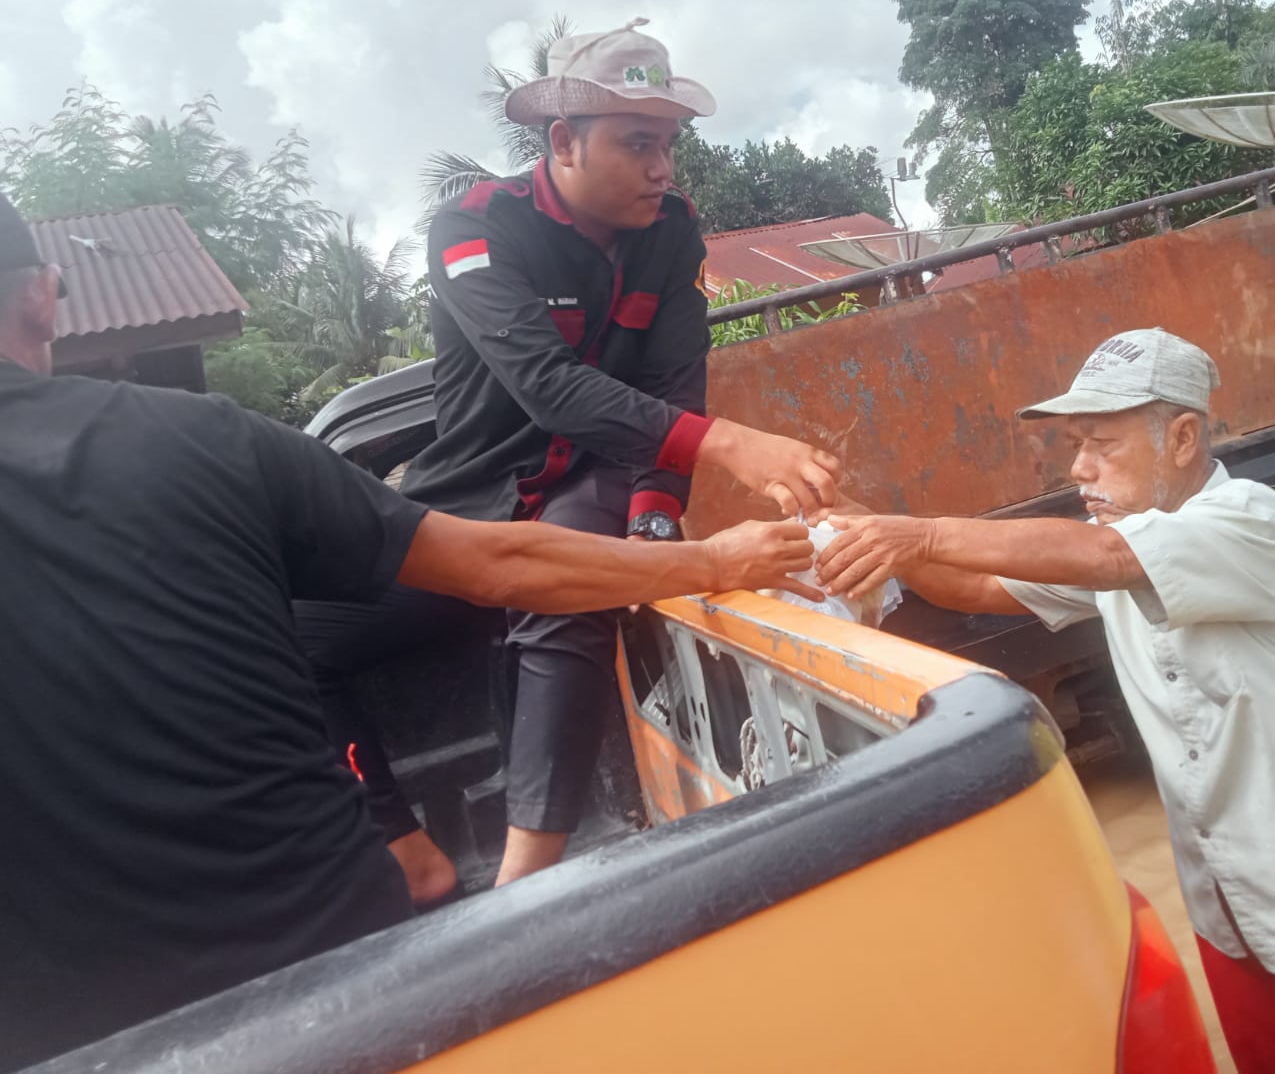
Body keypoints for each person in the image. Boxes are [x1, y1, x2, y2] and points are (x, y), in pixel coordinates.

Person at [0, 191, 818, 1071]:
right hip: (358, 995)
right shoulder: (206, 440)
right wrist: (716, 563)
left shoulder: (656, 249)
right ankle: (435, 866)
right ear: (45, 293)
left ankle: (495, 880)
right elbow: (505, 565)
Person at [815, 329, 1275, 1074]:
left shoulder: (1250, 520)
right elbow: (971, 589)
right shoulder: (1119, 544)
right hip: (1232, 912)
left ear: (1183, 437)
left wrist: (919, 530)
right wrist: (854, 520)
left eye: (1101, 443)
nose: (1079, 468)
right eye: (1072, 445)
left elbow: (1111, 560)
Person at [298, 18, 842, 896]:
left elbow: (676, 381)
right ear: (562, 141)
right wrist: (734, 445)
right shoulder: (475, 226)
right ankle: (406, 847)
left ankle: (522, 893)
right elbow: (546, 387)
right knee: (287, 638)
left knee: (580, 565)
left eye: (668, 145)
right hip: (470, 508)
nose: (663, 169)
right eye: (637, 145)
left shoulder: (673, 231)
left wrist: (655, 519)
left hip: (595, 484)